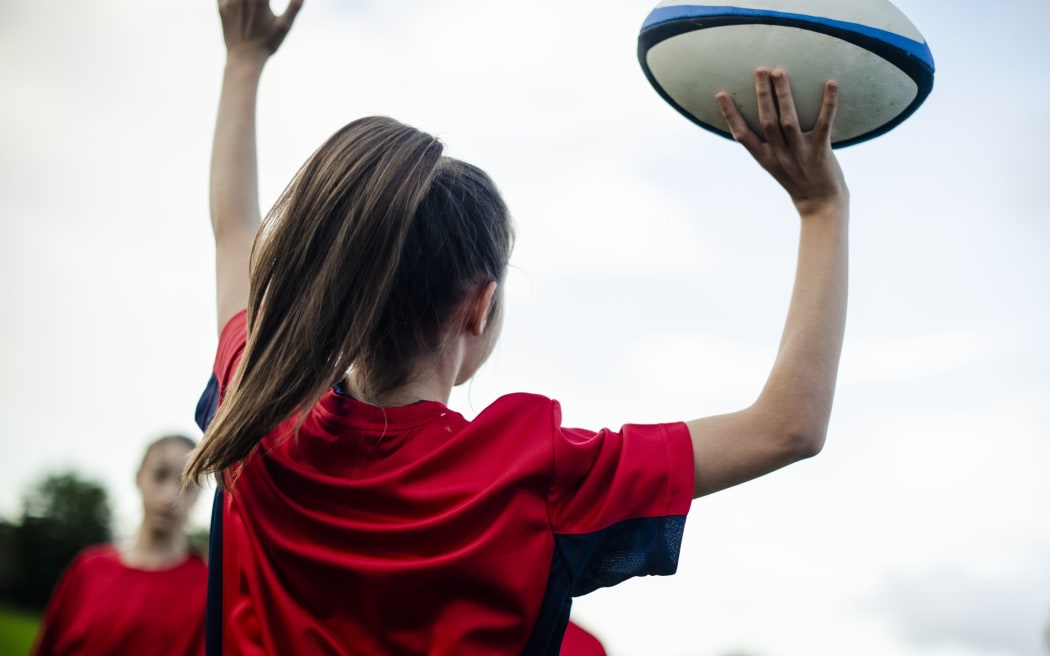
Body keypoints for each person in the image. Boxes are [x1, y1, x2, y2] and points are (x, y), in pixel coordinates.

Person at [185, 0, 849, 654]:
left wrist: (242, 62)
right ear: (480, 305)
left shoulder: (259, 413)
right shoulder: (532, 474)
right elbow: (787, 427)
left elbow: (232, 233)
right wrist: (822, 207)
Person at [33, 435, 207, 655]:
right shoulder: (87, 569)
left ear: (199, 494)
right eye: (160, 475)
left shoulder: (207, 588)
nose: (171, 495)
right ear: (138, 477)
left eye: (187, 484)